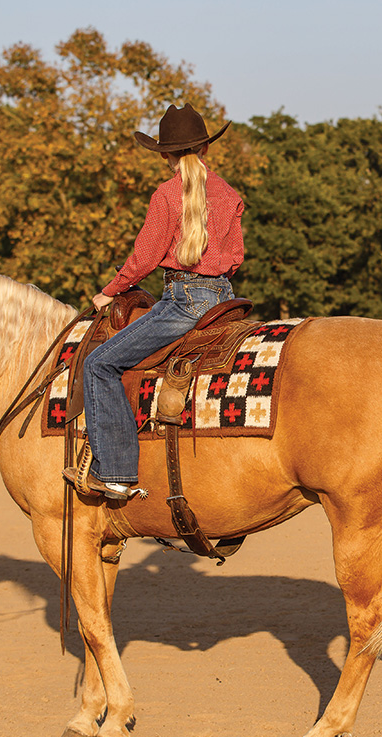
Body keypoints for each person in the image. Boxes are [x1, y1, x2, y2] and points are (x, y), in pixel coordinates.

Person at [66, 104, 244, 499]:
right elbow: (235, 256)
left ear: (165, 155)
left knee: (99, 363)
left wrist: (110, 290)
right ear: (206, 150)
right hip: (224, 299)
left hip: (183, 301)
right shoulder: (229, 195)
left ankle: (115, 472)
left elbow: (144, 258)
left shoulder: (165, 195)